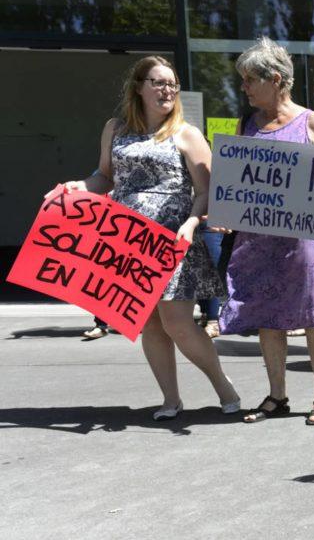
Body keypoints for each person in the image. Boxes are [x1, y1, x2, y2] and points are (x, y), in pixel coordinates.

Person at [64, 56, 239, 420]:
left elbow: (207, 192)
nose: (168, 90)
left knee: (176, 322)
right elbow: (105, 177)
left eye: (172, 83)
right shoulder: (115, 128)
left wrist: (192, 223)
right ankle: (171, 400)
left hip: (172, 239)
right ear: (139, 87)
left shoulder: (186, 133)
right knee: (148, 323)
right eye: (159, 82)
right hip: (127, 241)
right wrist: (79, 187)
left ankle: (223, 385)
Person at [219, 37, 314, 425]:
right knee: (268, 317)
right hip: (259, 242)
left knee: (313, 315)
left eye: (248, 80)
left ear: (275, 79)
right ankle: (277, 396)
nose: (244, 87)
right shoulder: (246, 123)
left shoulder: (311, 121)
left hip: (304, 240)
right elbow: (239, 180)